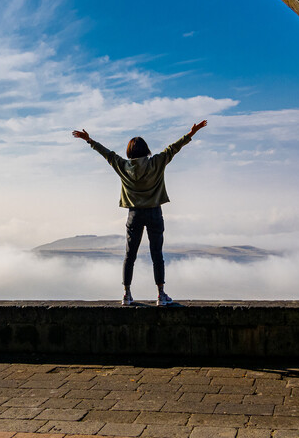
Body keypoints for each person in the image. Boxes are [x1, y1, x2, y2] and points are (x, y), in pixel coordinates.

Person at [72, 120, 208, 306]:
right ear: (146, 150)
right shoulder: (156, 163)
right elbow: (173, 148)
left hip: (134, 214)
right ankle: (161, 295)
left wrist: (89, 140)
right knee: (157, 254)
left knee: (130, 255)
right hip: (154, 213)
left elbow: (107, 154)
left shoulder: (123, 166)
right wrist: (191, 133)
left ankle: (126, 295)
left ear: (129, 152)